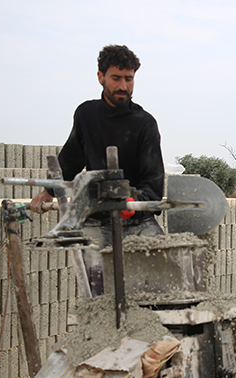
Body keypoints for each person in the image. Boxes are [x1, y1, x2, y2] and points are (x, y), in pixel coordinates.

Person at [30, 44, 166, 296]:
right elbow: (70, 160)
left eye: (129, 79)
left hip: (137, 219)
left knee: (164, 274)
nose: (123, 86)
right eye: (116, 78)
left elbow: (154, 182)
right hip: (96, 218)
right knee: (96, 291)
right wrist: (47, 193)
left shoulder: (145, 124)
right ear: (101, 77)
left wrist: (131, 204)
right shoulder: (86, 115)